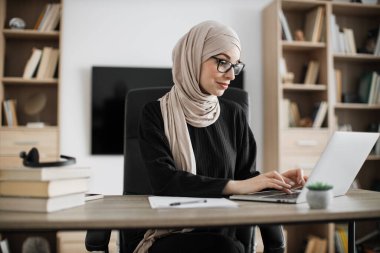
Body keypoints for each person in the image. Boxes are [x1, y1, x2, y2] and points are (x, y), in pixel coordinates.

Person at [129, 20, 307, 253]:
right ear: (192, 58)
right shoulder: (155, 114)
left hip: (226, 232)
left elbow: (247, 177)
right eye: (223, 63)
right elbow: (166, 181)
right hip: (171, 234)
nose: (232, 75)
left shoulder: (234, 113)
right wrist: (237, 186)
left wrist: (276, 185)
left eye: (235, 65)